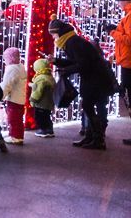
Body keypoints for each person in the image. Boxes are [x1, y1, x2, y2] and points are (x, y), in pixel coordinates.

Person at [48, 17, 114, 150]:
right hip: (95, 77)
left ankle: (98, 139)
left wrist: (66, 70)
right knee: (88, 106)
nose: (53, 37)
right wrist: (56, 61)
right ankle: (91, 137)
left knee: (88, 106)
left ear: (59, 32)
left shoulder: (73, 43)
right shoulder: (71, 40)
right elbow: (75, 61)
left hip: (95, 79)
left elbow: (83, 64)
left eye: (53, 34)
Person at [108, 0, 131, 146]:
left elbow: (129, 40)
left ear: (123, 1)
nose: (118, 5)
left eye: (118, 2)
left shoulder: (129, 16)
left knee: (129, 96)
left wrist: (112, 32)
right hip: (126, 61)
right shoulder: (127, 16)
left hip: (129, 63)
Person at [0, 47, 26, 145]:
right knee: (18, 118)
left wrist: (0, 95)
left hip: (14, 98)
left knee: (13, 118)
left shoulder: (12, 69)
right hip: (20, 97)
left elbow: (7, 84)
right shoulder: (21, 66)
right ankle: (16, 135)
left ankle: (16, 137)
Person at [29, 57, 56, 137]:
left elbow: (37, 91)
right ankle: (49, 130)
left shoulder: (40, 78)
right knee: (47, 116)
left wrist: (33, 100)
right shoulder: (50, 77)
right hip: (49, 102)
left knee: (40, 117)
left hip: (41, 103)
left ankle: (43, 130)